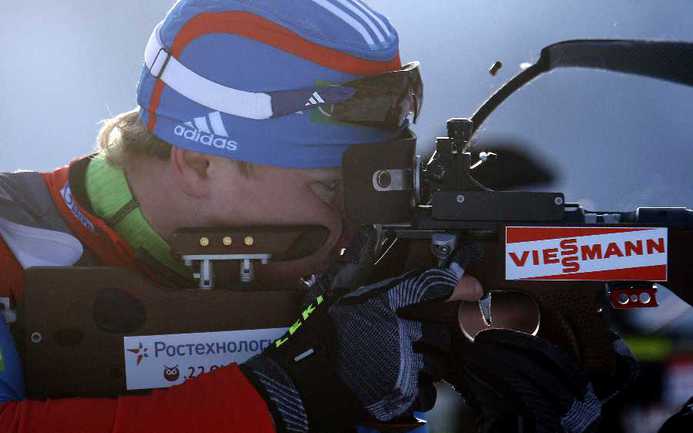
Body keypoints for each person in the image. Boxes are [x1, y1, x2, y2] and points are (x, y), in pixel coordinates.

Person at [0, 1, 637, 433]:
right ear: (199, 162)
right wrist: (296, 392)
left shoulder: (319, 271)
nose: (360, 225)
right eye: (330, 188)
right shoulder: (12, 251)